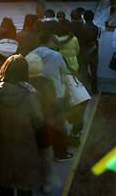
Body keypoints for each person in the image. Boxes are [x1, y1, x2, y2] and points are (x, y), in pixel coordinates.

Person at [0, 55, 42, 196]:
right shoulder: (31, 95)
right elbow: (38, 121)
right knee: (25, 188)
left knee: (5, 186)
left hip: (2, 147)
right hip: (26, 148)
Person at [29, 24, 73, 162]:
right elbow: (65, 72)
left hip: (36, 96)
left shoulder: (31, 55)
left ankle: (40, 153)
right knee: (59, 125)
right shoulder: (57, 55)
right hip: (56, 95)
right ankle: (60, 153)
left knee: (40, 125)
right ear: (49, 41)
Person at [25, 53, 56, 194]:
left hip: (27, 124)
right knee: (46, 153)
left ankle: (30, 179)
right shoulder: (47, 83)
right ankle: (47, 181)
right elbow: (53, 104)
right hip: (44, 124)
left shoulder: (23, 83)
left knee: (29, 153)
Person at [77, 10, 100, 93]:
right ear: (93, 17)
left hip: (83, 51)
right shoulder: (96, 28)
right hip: (94, 51)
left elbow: (80, 41)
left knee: (84, 71)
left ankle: (85, 89)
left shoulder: (81, 28)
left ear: (84, 17)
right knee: (94, 71)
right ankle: (94, 89)